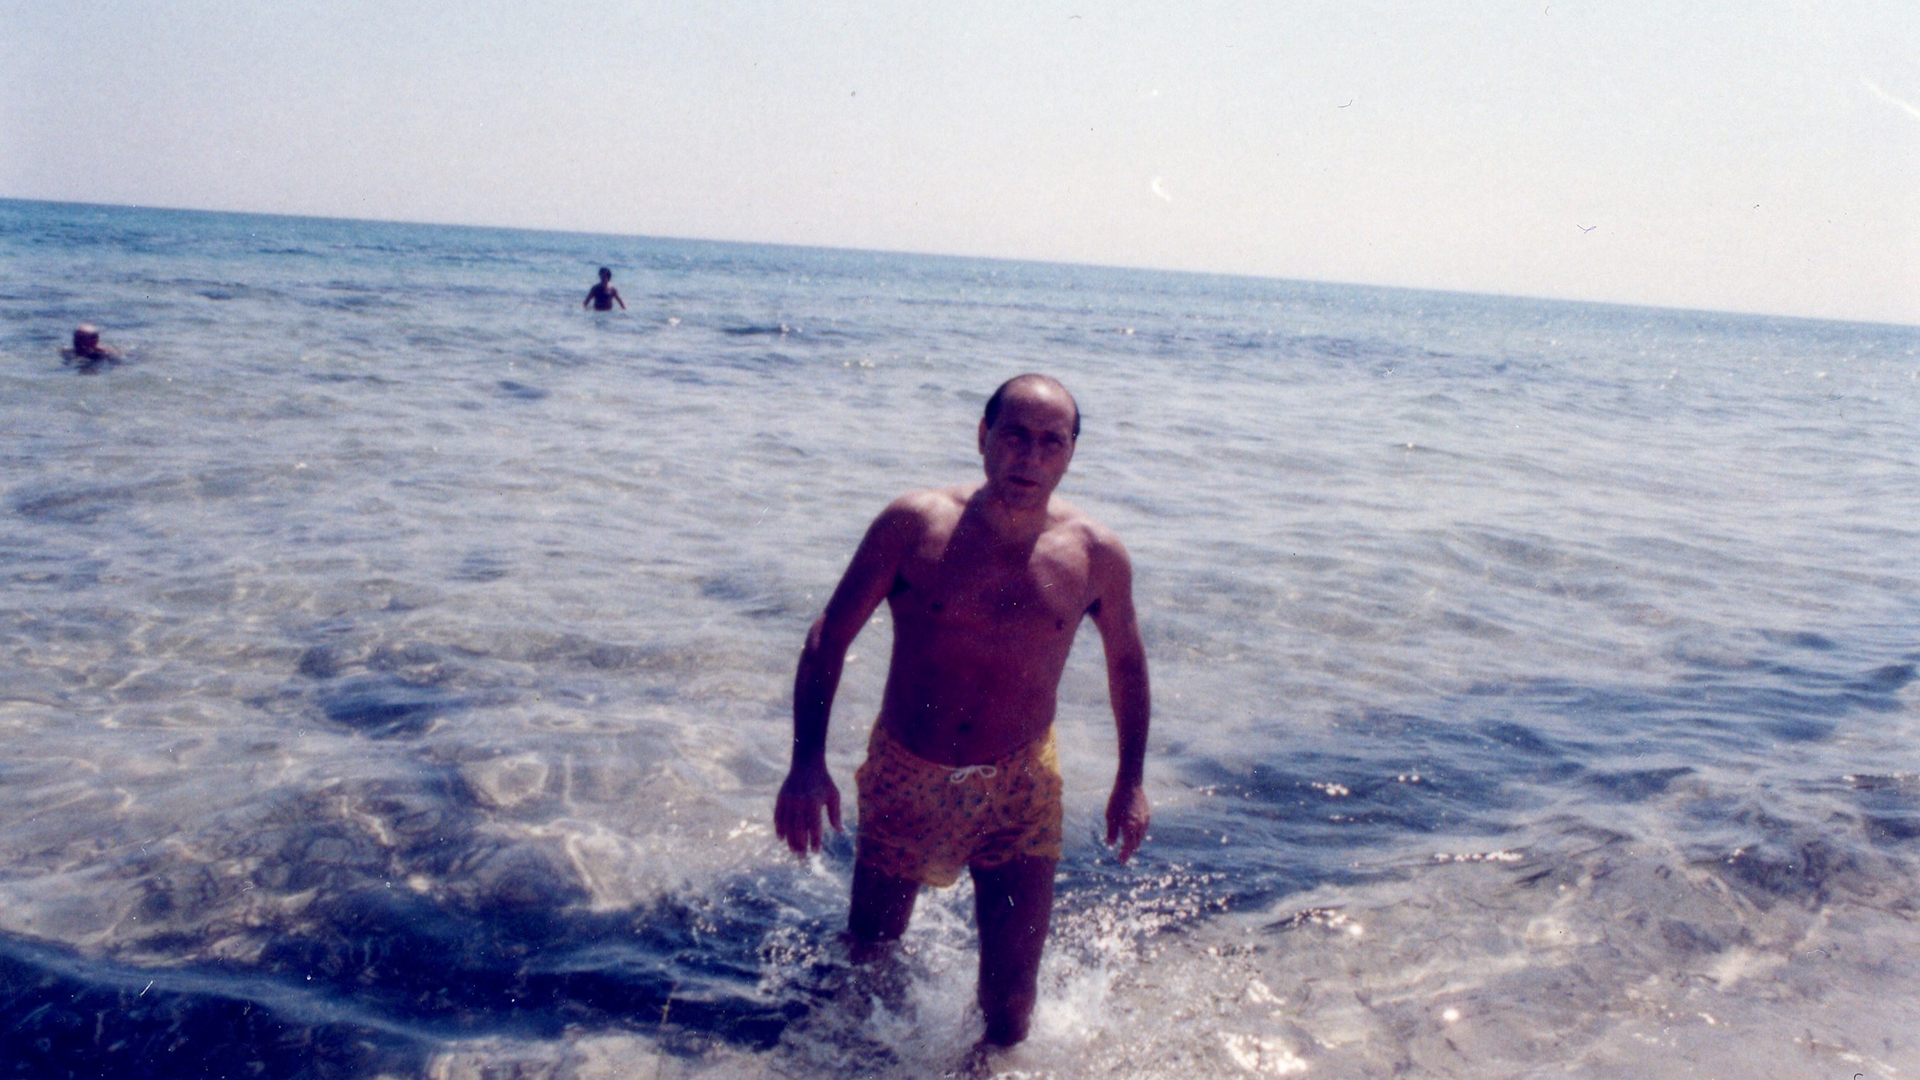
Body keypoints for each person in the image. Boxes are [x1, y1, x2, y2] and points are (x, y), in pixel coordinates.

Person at [774, 373, 1151, 1048]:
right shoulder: (914, 525)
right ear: (982, 437)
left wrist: (1130, 780)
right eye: (1013, 436)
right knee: (869, 958)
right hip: (907, 774)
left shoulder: (1095, 555)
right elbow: (829, 636)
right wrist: (806, 763)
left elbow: (1127, 664)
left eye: (1050, 442)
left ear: (1069, 454)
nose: (1029, 457)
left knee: (1009, 1007)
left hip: (1022, 783)